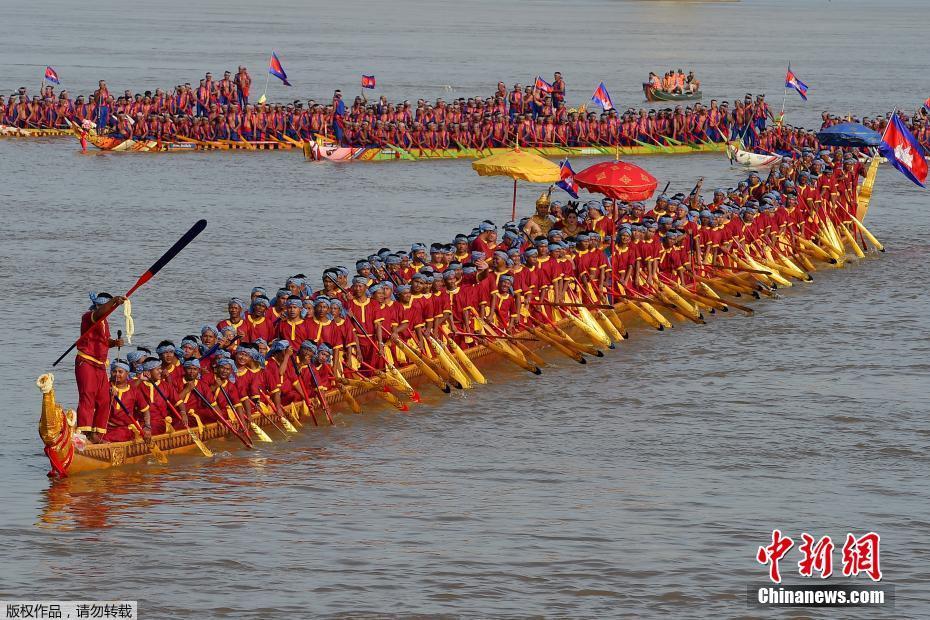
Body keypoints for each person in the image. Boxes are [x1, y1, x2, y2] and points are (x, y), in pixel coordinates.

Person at [75, 292, 126, 441]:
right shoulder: (89, 316)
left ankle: (96, 433)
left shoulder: (105, 321)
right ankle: (84, 432)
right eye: (106, 307)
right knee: (88, 395)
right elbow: (100, 313)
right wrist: (115, 301)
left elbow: (104, 341)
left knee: (105, 398)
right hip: (86, 361)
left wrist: (114, 343)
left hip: (100, 364)